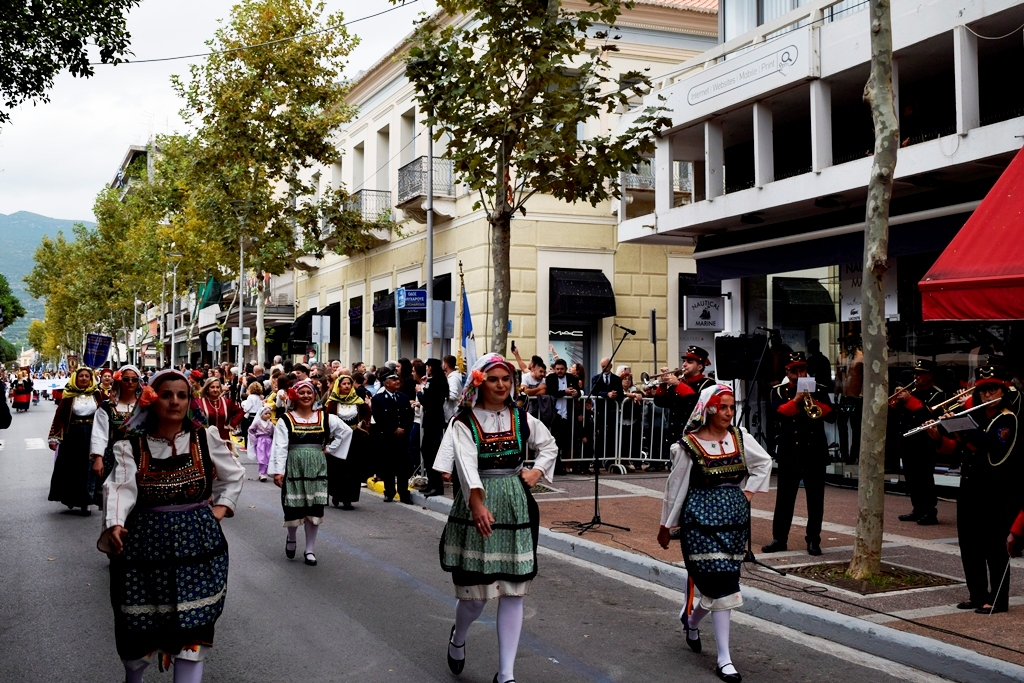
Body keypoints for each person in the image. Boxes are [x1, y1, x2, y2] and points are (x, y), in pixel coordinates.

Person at [97, 369, 245, 683]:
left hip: (199, 547)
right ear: (152, 400)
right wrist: (116, 524)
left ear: (190, 401)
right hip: (144, 548)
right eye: (166, 395)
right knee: (139, 628)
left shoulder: (204, 438)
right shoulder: (131, 446)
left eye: (181, 395)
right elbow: (119, 487)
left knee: (194, 629)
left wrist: (218, 510)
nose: (174, 402)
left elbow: (233, 474)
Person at [434, 353, 558, 683]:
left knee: (513, 589)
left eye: (506, 378)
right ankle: (459, 636)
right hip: (479, 503)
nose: (501, 384)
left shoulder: (521, 417)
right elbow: (465, 463)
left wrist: (538, 470)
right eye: (493, 378)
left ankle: (506, 674)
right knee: (475, 596)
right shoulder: (464, 420)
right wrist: (476, 503)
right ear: (479, 381)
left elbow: (549, 445)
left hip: (515, 505)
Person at [658, 384, 772, 683]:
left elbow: (763, 464)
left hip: (733, 522)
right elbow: (676, 488)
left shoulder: (740, 437)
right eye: (724, 407)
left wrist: (746, 493)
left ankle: (692, 620)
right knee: (721, 585)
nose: (729, 413)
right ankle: (724, 658)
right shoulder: (688, 445)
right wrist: (666, 526)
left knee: (722, 583)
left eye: (731, 407)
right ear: (709, 408)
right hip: (699, 523)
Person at [928, 361, 1020, 613]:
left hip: (994, 491)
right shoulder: (976, 416)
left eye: (993, 390)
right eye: (983, 391)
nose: (987, 395)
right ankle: (977, 594)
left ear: (1003, 391)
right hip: (969, 488)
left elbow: (991, 445)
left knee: (994, 547)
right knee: (970, 545)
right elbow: (960, 450)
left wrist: (960, 428)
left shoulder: (1007, 419)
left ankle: (998, 600)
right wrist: (939, 436)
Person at [268, 379, 352, 565]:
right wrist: (278, 471)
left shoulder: (325, 417)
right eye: (302, 392)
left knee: (314, 506)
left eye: (309, 392)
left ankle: (310, 549)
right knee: (293, 506)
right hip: (294, 465)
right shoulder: (286, 419)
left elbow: (346, 432)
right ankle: (291, 537)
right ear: (294, 396)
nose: (306, 396)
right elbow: (280, 447)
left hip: (317, 466)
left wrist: (330, 449)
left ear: (314, 395)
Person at [762, 352, 836, 556]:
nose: (799, 374)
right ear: (787, 372)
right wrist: (796, 400)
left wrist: (813, 400)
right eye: (794, 370)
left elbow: (831, 416)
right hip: (790, 452)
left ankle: (813, 539)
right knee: (785, 498)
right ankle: (779, 538)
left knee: (815, 499)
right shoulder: (778, 391)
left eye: (802, 369)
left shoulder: (819, 390)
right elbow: (778, 414)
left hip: (815, 451)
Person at [891, 359, 946, 525]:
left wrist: (909, 400)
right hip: (909, 441)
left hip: (924, 442)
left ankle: (930, 511)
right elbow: (902, 415)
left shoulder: (938, 394)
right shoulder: (913, 392)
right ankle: (918, 508)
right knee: (911, 477)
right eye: (915, 373)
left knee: (924, 478)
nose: (916, 376)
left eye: (920, 374)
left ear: (929, 375)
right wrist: (898, 403)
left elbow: (928, 416)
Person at [47, 367, 103, 514]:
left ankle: (87, 501)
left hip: (92, 434)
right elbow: (59, 417)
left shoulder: (98, 395)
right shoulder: (68, 396)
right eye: (81, 376)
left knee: (89, 468)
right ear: (75, 379)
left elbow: (106, 415)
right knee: (73, 468)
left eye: (87, 376)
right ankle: (73, 498)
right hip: (73, 437)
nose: (84, 378)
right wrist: (54, 438)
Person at [90, 366, 143, 492]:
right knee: (115, 495)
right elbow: (99, 433)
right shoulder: (107, 407)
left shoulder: (145, 406)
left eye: (134, 380)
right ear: (119, 381)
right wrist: (98, 458)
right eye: (126, 379)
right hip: (114, 457)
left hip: (141, 456)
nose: (130, 383)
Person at [324, 374, 368, 508]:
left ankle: (348, 498)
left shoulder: (358, 401)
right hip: (338, 439)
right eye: (344, 384)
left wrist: (362, 424)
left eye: (349, 383)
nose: (347, 386)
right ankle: (337, 494)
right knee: (338, 468)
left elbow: (367, 414)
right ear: (339, 385)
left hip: (354, 439)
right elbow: (327, 420)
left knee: (353, 468)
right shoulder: (332, 402)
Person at [371, 370, 415, 503]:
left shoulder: (403, 397)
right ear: (386, 383)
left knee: (403, 467)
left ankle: (403, 493)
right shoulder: (378, 399)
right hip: (387, 438)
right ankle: (389, 492)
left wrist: (405, 430)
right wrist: (393, 430)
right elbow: (379, 419)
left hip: (402, 438)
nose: (397, 382)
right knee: (388, 466)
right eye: (394, 380)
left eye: (397, 379)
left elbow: (409, 416)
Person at [544, 359, 580, 474]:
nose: (559, 371)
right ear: (555, 369)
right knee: (555, 441)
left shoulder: (572, 378)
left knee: (567, 441)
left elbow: (578, 390)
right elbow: (551, 392)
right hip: (556, 414)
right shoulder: (550, 378)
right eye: (557, 369)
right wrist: (565, 392)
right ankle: (556, 467)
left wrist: (576, 393)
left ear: (565, 368)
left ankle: (566, 466)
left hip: (568, 413)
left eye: (562, 369)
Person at [420, 358, 449, 497]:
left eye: (428, 367)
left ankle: (435, 484)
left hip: (432, 419)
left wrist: (420, 391)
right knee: (429, 450)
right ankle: (433, 483)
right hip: (436, 419)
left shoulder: (433, 381)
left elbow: (426, 400)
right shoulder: (442, 380)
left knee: (429, 451)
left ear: (431, 367)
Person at [591, 357, 624, 468]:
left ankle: (610, 460)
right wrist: (606, 394)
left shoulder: (616, 379)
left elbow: (621, 394)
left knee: (612, 435)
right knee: (599, 435)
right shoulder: (596, 378)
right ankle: (598, 460)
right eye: (602, 366)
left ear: (610, 366)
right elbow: (594, 391)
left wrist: (615, 395)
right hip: (600, 411)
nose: (604, 368)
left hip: (612, 411)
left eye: (606, 366)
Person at [197, 378, 244, 444]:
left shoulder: (226, 402)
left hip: (223, 439)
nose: (215, 390)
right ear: (207, 389)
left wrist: (232, 424)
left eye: (218, 387)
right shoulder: (200, 402)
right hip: (205, 440)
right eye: (212, 387)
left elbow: (240, 412)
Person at [248, 406, 274, 482]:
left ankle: (266, 472)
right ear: (261, 414)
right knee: (261, 457)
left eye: (269, 413)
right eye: (266, 413)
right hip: (260, 442)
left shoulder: (271, 424)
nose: (268, 415)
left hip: (269, 442)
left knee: (268, 456)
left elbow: (275, 432)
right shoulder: (257, 423)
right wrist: (255, 440)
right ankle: (262, 473)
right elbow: (250, 430)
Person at [443, 355, 464, 424]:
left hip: (451, 414)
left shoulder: (452, 379)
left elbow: (453, 395)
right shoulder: (453, 377)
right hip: (453, 414)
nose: (442, 365)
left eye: (443, 363)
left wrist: (442, 395)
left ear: (446, 365)